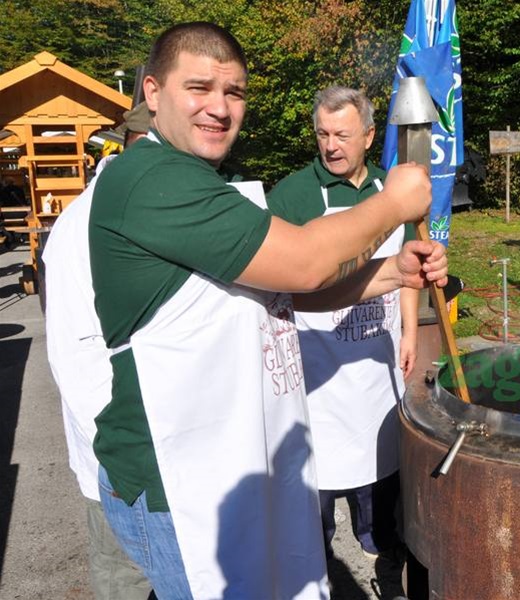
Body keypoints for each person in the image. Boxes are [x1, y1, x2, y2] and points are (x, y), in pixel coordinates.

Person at [88, 22, 445, 600]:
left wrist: (392, 273)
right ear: (152, 92)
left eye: (234, 92)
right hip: (177, 476)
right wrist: (394, 203)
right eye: (199, 88)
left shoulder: (208, 180)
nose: (219, 107)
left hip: (233, 455)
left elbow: (283, 294)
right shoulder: (151, 179)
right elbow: (305, 263)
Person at [268, 87, 415, 561]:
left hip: (376, 362)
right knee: (317, 483)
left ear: (369, 136)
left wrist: (410, 333)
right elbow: (273, 285)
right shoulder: (291, 196)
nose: (331, 146)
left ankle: (378, 543)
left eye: (343, 135)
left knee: (381, 466)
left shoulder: (393, 191)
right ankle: (320, 557)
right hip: (317, 375)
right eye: (323, 134)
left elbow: (408, 266)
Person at [44, 103, 154, 600]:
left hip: (159, 447)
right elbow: (75, 357)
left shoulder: (142, 206)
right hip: (120, 455)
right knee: (126, 576)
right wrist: (122, 450)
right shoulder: (83, 224)